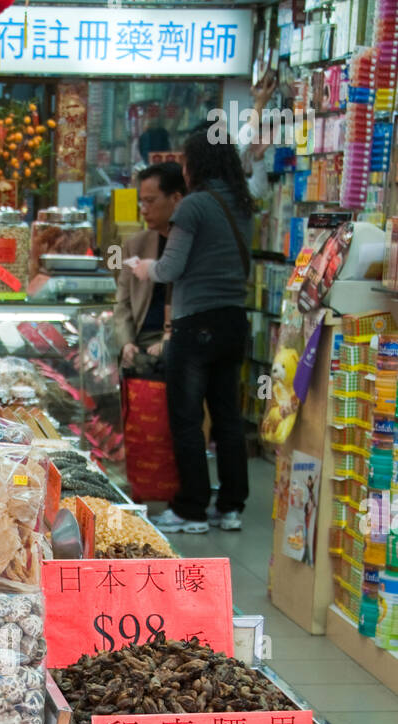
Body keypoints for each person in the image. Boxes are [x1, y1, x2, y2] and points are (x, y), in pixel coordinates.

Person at [130, 129, 254, 533]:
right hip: (234, 320)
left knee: (185, 418)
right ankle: (231, 506)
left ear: (195, 163)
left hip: (195, 324)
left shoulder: (194, 206)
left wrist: (145, 268)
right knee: (227, 418)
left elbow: (170, 268)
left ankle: (191, 509)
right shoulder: (240, 203)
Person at [114, 162, 185, 376]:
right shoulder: (135, 245)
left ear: (176, 199)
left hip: (178, 339)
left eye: (150, 201)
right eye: (141, 202)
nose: (143, 210)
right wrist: (126, 342)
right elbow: (122, 303)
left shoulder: (189, 243)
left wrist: (169, 339)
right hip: (140, 338)